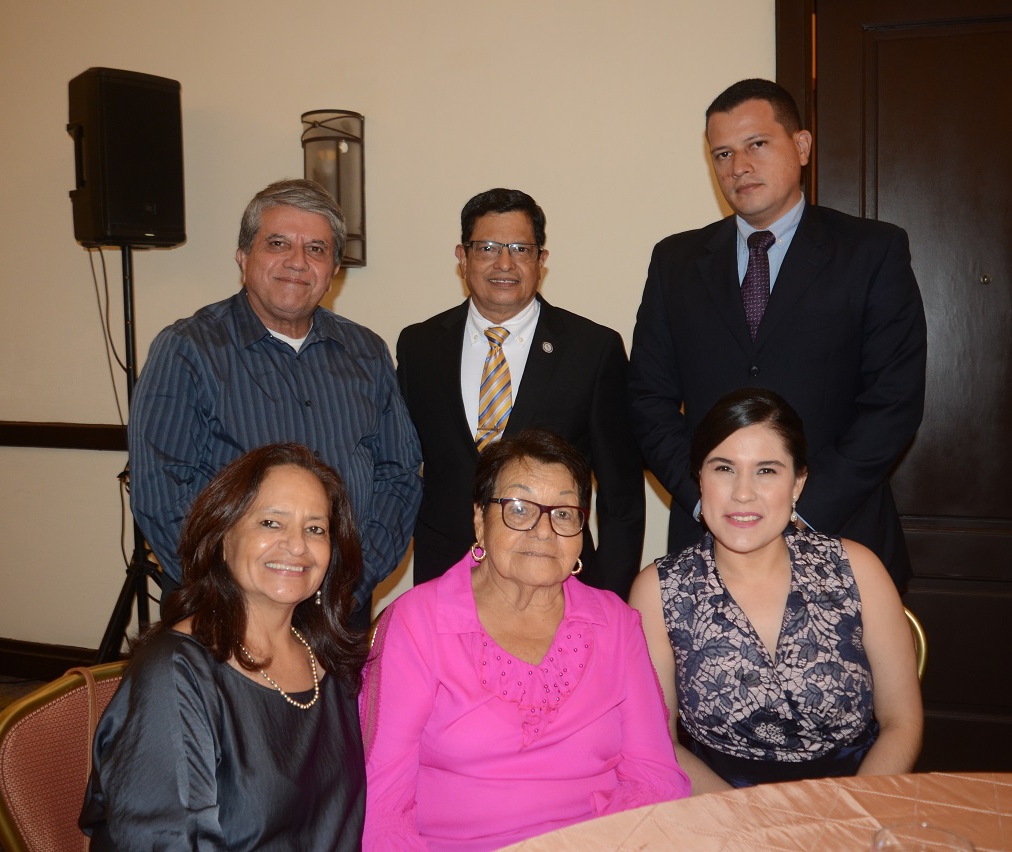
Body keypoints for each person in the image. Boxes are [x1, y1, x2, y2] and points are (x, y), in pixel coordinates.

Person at [628, 79, 927, 589]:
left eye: (757, 145)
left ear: (802, 146)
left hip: (839, 533)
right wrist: (708, 499)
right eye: (722, 153)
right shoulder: (675, 261)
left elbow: (893, 402)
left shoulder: (872, 251)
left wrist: (799, 506)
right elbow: (648, 399)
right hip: (708, 547)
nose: (738, 166)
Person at [360, 429, 689, 849]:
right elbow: (381, 804)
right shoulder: (415, 623)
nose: (543, 531)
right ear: (480, 519)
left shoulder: (617, 624)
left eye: (564, 513)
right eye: (519, 508)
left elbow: (654, 777)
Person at [129, 178, 422, 625]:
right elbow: (161, 491)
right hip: (224, 612)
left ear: (334, 268)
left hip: (339, 610)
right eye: (278, 243)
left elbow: (399, 475)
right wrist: (236, 594)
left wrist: (355, 581)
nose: (297, 262)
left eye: (317, 249)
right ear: (244, 257)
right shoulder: (187, 349)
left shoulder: (367, 352)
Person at [629, 389, 923, 792]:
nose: (743, 493)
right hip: (720, 815)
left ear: (798, 483)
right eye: (723, 468)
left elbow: (901, 723)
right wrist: (753, 828)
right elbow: (657, 741)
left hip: (857, 807)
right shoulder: (660, 590)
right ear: (699, 477)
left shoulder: (858, 569)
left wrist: (850, 820)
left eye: (767, 470)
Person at [80, 443, 368, 849]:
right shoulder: (175, 674)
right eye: (271, 523)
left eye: (316, 528)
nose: (297, 545)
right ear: (222, 537)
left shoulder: (330, 659)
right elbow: (168, 841)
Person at [397, 188, 644, 599]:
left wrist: (613, 596)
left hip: (554, 576)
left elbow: (622, 495)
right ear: (462, 257)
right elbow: (402, 466)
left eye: (520, 249)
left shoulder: (592, 350)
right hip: (444, 580)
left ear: (541, 260)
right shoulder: (419, 346)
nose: (504, 263)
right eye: (488, 247)